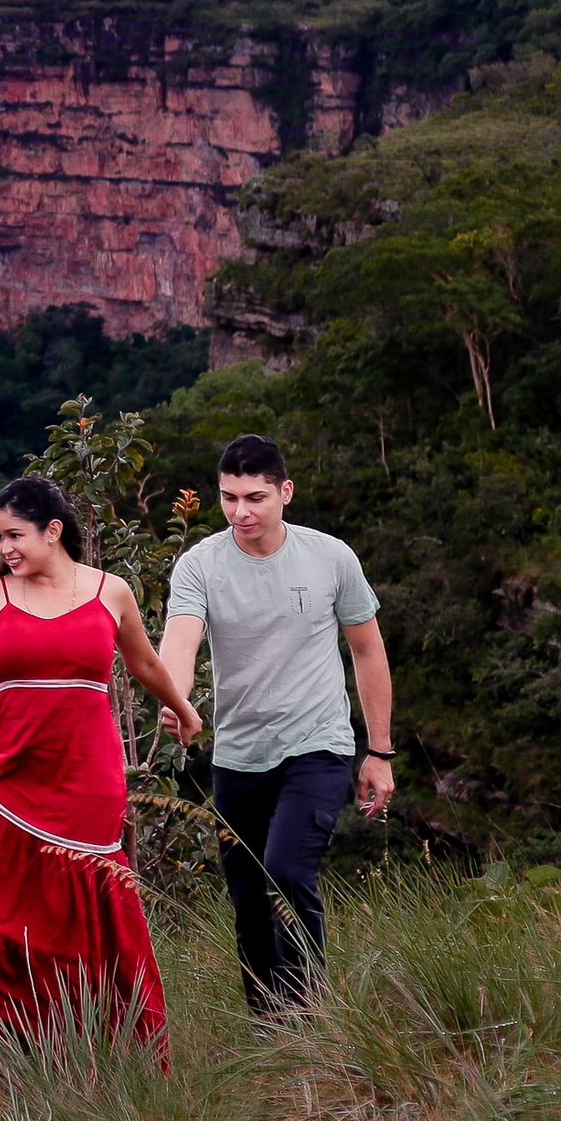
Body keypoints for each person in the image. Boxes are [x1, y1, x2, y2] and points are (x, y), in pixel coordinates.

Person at [0, 475, 204, 1053]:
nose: (5, 550)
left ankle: (103, 1049)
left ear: (53, 531)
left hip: (88, 781)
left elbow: (144, 664)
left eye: (15, 536)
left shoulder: (110, 591)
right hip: (9, 775)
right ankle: (32, 1025)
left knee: (78, 923)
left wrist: (182, 709)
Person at [157, 434, 394, 1018]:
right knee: (248, 900)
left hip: (318, 742)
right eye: (229, 497)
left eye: (256, 497)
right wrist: (177, 699)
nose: (242, 512)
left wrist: (380, 750)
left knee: (287, 871)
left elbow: (367, 651)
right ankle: (272, 1029)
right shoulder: (200, 564)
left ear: (285, 492)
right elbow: (181, 639)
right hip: (238, 754)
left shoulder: (331, 558)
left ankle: (312, 1016)